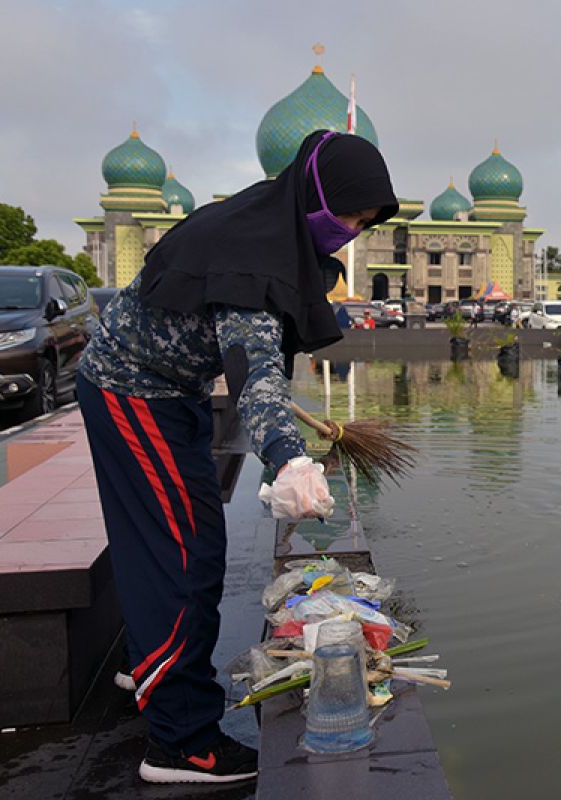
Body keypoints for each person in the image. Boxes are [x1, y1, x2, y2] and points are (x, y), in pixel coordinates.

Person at [75, 129, 398, 784]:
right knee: (183, 555)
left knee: (189, 546)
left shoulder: (267, 227)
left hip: (170, 392)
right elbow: (254, 373)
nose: (351, 235)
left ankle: (157, 668)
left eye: (364, 225)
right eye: (348, 217)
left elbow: (257, 357)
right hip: (134, 390)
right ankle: (181, 742)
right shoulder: (252, 252)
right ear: (316, 193)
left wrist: (287, 443)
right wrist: (288, 457)